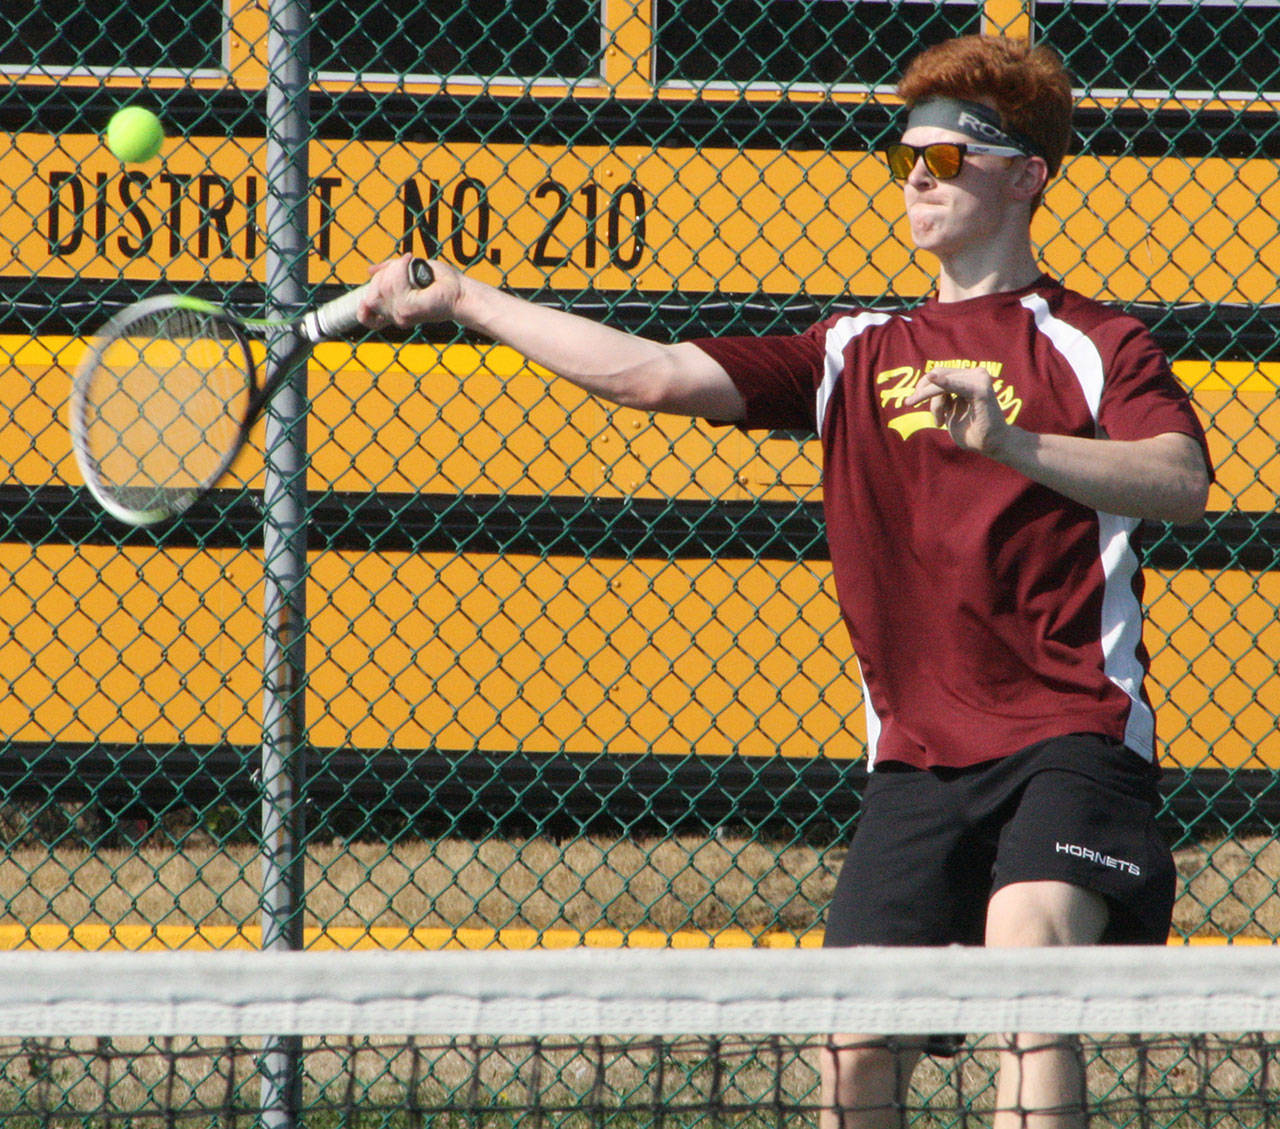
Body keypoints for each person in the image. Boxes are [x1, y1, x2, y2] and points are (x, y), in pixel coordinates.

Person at [356, 34, 1211, 1129]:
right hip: (914, 757)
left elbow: (1178, 479)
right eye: (905, 156)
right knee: (850, 1043)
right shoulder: (852, 350)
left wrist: (1013, 442)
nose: (913, 176)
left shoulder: (1093, 343)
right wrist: (469, 298)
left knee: (1025, 976)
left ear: (1025, 176)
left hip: (1068, 733)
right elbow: (653, 374)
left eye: (945, 159)